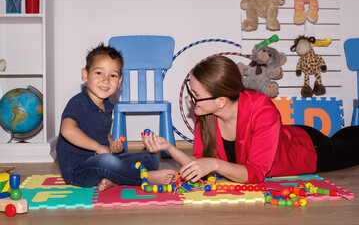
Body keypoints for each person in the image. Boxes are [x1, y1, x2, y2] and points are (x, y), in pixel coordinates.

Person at [142, 56, 359, 184]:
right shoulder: (206, 115)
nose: (191, 98)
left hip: (309, 150)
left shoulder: (262, 109)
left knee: (350, 149)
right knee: (344, 137)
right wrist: (169, 147)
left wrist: (216, 163)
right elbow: (199, 165)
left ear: (220, 101)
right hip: (287, 134)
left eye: (196, 95)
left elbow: (255, 173)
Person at [56, 43, 175, 191]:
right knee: (107, 161)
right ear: (85, 75)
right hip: (79, 171)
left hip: (102, 161)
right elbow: (67, 130)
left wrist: (112, 145)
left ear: (119, 82)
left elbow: (102, 132)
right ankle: (145, 178)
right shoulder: (78, 103)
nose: (106, 80)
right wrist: (99, 148)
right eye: (99, 73)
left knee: (151, 158)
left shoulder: (108, 105)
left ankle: (115, 180)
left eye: (113, 75)